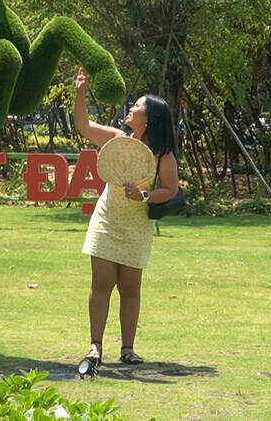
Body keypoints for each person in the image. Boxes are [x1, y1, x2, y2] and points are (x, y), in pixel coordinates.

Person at [73, 67, 179, 370]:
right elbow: (84, 125)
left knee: (131, 288)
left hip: (137, 226)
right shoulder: (119, 140)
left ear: (149, 120)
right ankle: (95, 347)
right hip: (107, 221)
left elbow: (170, 190)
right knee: (102, 282)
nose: (131, 109)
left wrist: (145, 195)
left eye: (137, 107)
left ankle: (128, 349)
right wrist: (81, 91)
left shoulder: (163, 156)